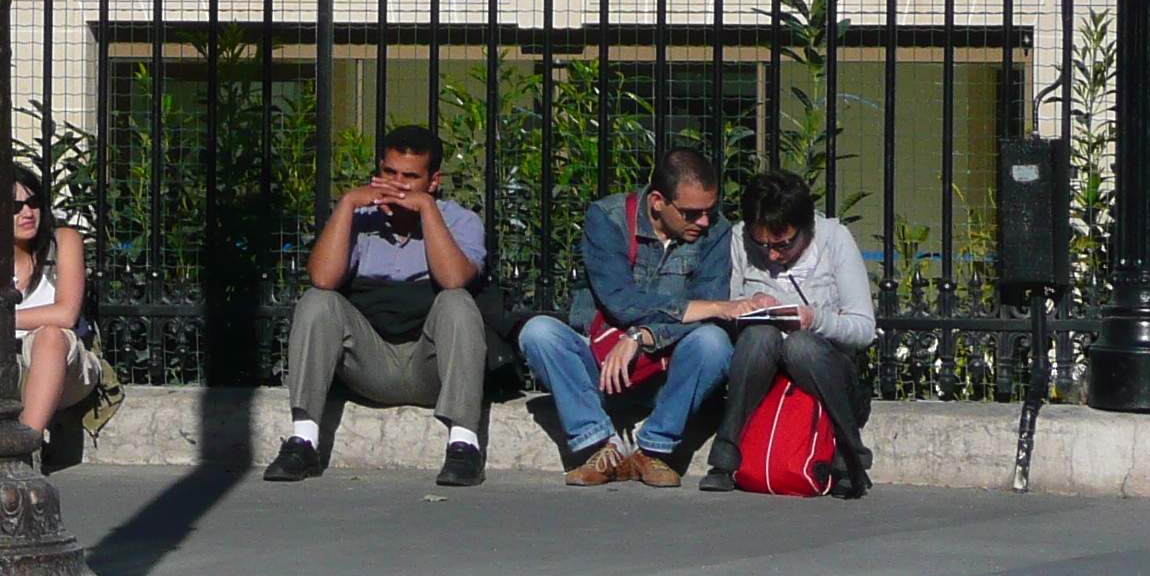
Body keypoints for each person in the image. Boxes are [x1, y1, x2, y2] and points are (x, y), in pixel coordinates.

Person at [267, 124, 491, 488]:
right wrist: (347, 204)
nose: (397, 184)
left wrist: (425, 209)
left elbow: (454, 278)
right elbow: (323, 278)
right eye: (389, 172)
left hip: (429, 366)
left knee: (457, 302)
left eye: (410, 177)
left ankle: (464, 445)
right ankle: (303, 441)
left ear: (433, 181)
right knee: (317, 302)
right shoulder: (359, 217)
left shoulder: (461, 220)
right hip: (369, 364)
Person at [518, 145, 742, 488]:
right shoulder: (607, 218)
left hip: (667, 372)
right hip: (602, 364)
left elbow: (709, 310)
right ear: (657, 201)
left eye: (709, 211)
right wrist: (694, 310)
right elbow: (620, 301)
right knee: (538, 332)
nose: (703, 221)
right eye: (691, 213)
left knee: (713, 342)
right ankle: (600, 446)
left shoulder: (716, 230)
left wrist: (642, 336)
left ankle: (653, 450)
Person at [698, 168, 877, 497]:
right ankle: (724, 457)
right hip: (762, 363)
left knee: (800, 346)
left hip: (822, 363)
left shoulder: (835, 240)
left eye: (782, 244)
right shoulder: (739, 239)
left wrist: (814, 319)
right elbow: (724, 310)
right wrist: (747, 305)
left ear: (806, 226)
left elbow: (864, 328)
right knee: (759, 336)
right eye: (761, 243)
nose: (772, 255)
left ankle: (850, 453)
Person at [11, 164, 90, 436]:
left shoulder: (64, 240)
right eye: (15, 206)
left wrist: (0, 319)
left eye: (33, 203)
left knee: (51, 335)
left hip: (61, 366)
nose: (27, 213)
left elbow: (66, 313)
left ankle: (27, 443)